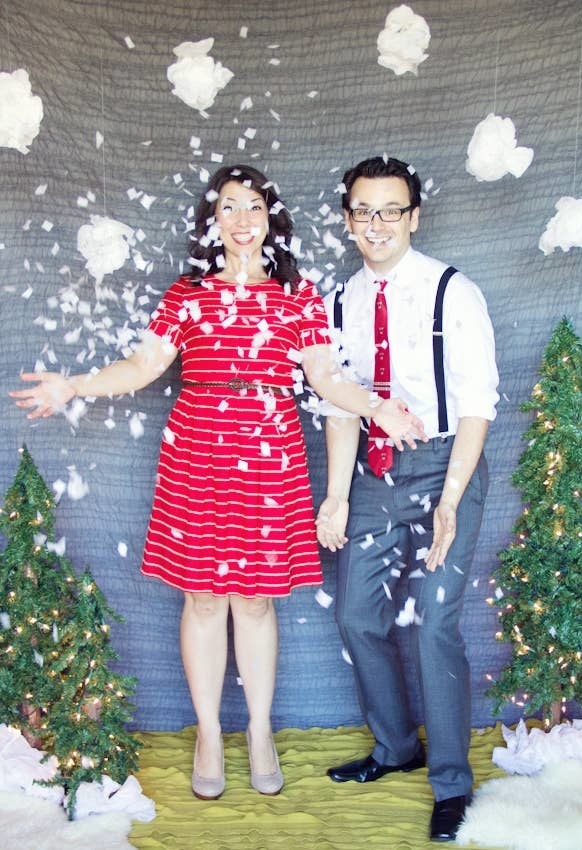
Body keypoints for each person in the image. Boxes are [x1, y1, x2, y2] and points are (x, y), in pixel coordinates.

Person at [10, 163, 426, 802]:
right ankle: (209, 732)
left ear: (270, 219)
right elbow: (144, 365)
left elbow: (326, 378)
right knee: (203, 599)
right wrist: (76, 385)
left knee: (256, 600)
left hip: (270, 451)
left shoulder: (298, 296)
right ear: (213, 222)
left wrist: (375, 406)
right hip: (198, 449)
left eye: (252, 206)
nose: (240, 220)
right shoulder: (186, 296)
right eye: (227, 207)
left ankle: (259, 731)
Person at [316, 156, 499, 842]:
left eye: (391, 210)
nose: (377, 224)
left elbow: (478, 407)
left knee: (434, 623)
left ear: (414, 217)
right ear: (347, 220)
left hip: (448, 465)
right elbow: (339, 407)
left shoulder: (454, 291)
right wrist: (336, 496)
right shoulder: (338, 302)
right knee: (360, 618)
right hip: (374, 471)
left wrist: (451, 498)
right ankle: (397, 748)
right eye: (364, 211)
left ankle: (451, 784)